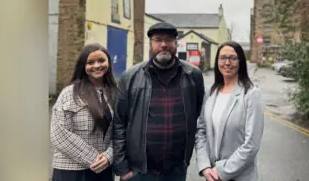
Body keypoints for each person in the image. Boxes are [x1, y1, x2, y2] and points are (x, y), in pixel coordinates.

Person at [112, 22, 205, 181]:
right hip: (138, 171)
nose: (163, 45)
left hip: (176, 170)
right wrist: (122, 166)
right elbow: (119, 123)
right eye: (158, 40)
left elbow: (197, 116)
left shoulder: (193, 75)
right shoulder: (130, 77)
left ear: (176, 44)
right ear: (151, 44)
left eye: (169, 40)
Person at [195, 41, 264, 181]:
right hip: (212, 176)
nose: (227, 62)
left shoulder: (251, 94)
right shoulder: (211, 93)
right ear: (217, 61)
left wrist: (222, 171)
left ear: (240, 62)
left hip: (240, 176)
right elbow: (201, 131)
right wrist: (205, 167)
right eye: (223, 58)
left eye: (233, 58)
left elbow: (251, 144)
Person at [50, 43, 118, 181]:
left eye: (101, 60)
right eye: (90, 62)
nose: (97, 65)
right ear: (83, 66)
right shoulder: (69, 93)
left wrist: (108, 156)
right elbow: (59, 134)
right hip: (70, 171)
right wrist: (94, 158)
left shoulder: (115, 93)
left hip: (103, 170)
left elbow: (121, 131)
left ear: (108, 63)